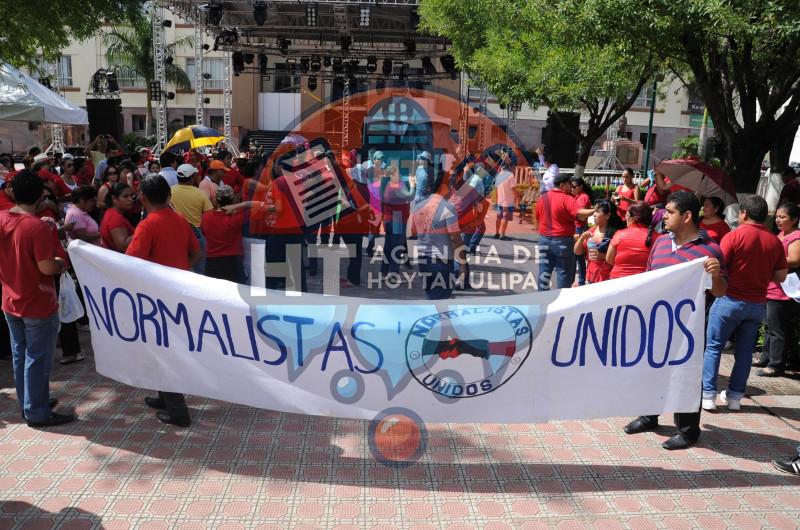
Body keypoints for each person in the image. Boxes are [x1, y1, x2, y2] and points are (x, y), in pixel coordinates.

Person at [622, 190, 726, 449]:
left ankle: (688, 430)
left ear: (687, 216)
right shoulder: (659, 243)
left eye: (669, 212)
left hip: (687, 330)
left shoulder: (709, 250)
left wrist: (714, 275)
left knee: (685, 376)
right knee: (651, 370)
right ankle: (649, 415)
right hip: (655, 323)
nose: (663, 216)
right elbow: (649, 278)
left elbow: (722, 290)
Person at [0, 170, 76, 427]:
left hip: (11, 298)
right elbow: (46, 267)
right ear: (40, 195)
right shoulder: (35, 227)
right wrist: (61, 262)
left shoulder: (3, 219)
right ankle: (37, 411)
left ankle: (31, 402)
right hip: (36, 301)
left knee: (22, 355)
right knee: (37, 357)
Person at [702, 195, 787, 411]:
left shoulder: (734, 236)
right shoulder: (774, 241)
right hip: (756, 303)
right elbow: (781, 276)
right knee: (745, 353)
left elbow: (719, 267)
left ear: (744, 213)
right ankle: (735, 397)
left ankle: (708, 395)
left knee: (713, 348)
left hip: (729, 300)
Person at [126, 175, 200, 427]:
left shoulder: (147, 226)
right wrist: (180, 272)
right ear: (168, 195)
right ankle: (165, 397)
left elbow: (130, 262)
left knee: (163, 350)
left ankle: (178, 411)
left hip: (155, 297)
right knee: (166, 348)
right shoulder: (179, 220)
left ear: (143, 198)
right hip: (177, 293)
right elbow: (196, 251)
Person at [753, 203, 800, 377]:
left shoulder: (796, 236)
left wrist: (770, 260)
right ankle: (765, 357)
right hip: (771, 287)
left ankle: (776, 365)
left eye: (783, 217)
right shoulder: (781, 234)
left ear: (794, 219)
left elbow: (795, 259)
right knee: (768, 325)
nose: (778, 220)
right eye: (777, 216)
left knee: (777, 329)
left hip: (783, 291)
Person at [411, 170, 465, 299]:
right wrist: (463, 264)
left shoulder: (419, 206)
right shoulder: (448, 208)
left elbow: (413, 231)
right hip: (442, 261)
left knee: (431, 295)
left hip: (423, 260)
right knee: (439, 303)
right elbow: (455, 238)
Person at [535, 173, 595, 290]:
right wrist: (594, 210)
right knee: (564, 273)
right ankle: (562, 304)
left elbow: (537, 218)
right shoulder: (567, 198)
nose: (571, 188)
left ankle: (541, 301)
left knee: (544, 272)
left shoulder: (543, 198)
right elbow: (579, 213)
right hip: (562, 241)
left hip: (543, 239)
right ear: (562, 185)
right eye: (569, 185)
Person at [170, 163, 212, 274]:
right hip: (195, 233)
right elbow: (209, 215)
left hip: (175, 232)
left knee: (177, 267)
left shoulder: (169, 192)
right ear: (192, 177)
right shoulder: (200, 194)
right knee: (200, 269)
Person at [201, 185, 247, 283]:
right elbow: (255, 205)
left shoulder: (205, 217)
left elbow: (204, 233)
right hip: (233, 261)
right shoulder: (237, 218)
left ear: (216, 200)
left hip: (212, 262)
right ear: (233, 200)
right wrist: (239, 205)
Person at [574, 199, 624, 284]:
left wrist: (603, 256)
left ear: (607, 215)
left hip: (608, 279)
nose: (593, 214)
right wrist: (582, 237)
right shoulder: (591, 230)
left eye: (597, 212)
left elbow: (622, 259)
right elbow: (577, 252)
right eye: (594, 211)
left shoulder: (617, 234)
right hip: (591, 277)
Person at [606, 201, 657, 279]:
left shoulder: (620, 234)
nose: (625, 218)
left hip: (617, 281)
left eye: (627, 215)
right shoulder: (658, 237)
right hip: (644, 283)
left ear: (633, 218)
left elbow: (609, 259)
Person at [100, 183, 135, 252]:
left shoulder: (111, 212)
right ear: (114, 199)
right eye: (125, 196)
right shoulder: (115, 217)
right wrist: (143, 230)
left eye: (131, 196)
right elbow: (123, 246)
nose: (131, 199)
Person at [571, 178, 594, 285]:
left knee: (578, 257)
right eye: (571, 186)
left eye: (574, 186)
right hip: (577, 228)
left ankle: (580, 282)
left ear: (581, 187)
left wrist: (572, 215)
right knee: (577, 257)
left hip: (579, 229)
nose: (572, 188)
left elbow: (582, 217)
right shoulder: (578, 196)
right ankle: (578, 281)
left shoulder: (583, 198)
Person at [493, 158, 516, 240]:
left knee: (499, 217)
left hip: (500, 200)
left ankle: (497, 233)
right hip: (508, 201)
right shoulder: (510, 175)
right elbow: (513, 188)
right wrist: (517, 197)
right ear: (509, 168)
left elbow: (495, 189)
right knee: (505, 218)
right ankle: (502, 235)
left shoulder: (498, 175)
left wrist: (496, 199)